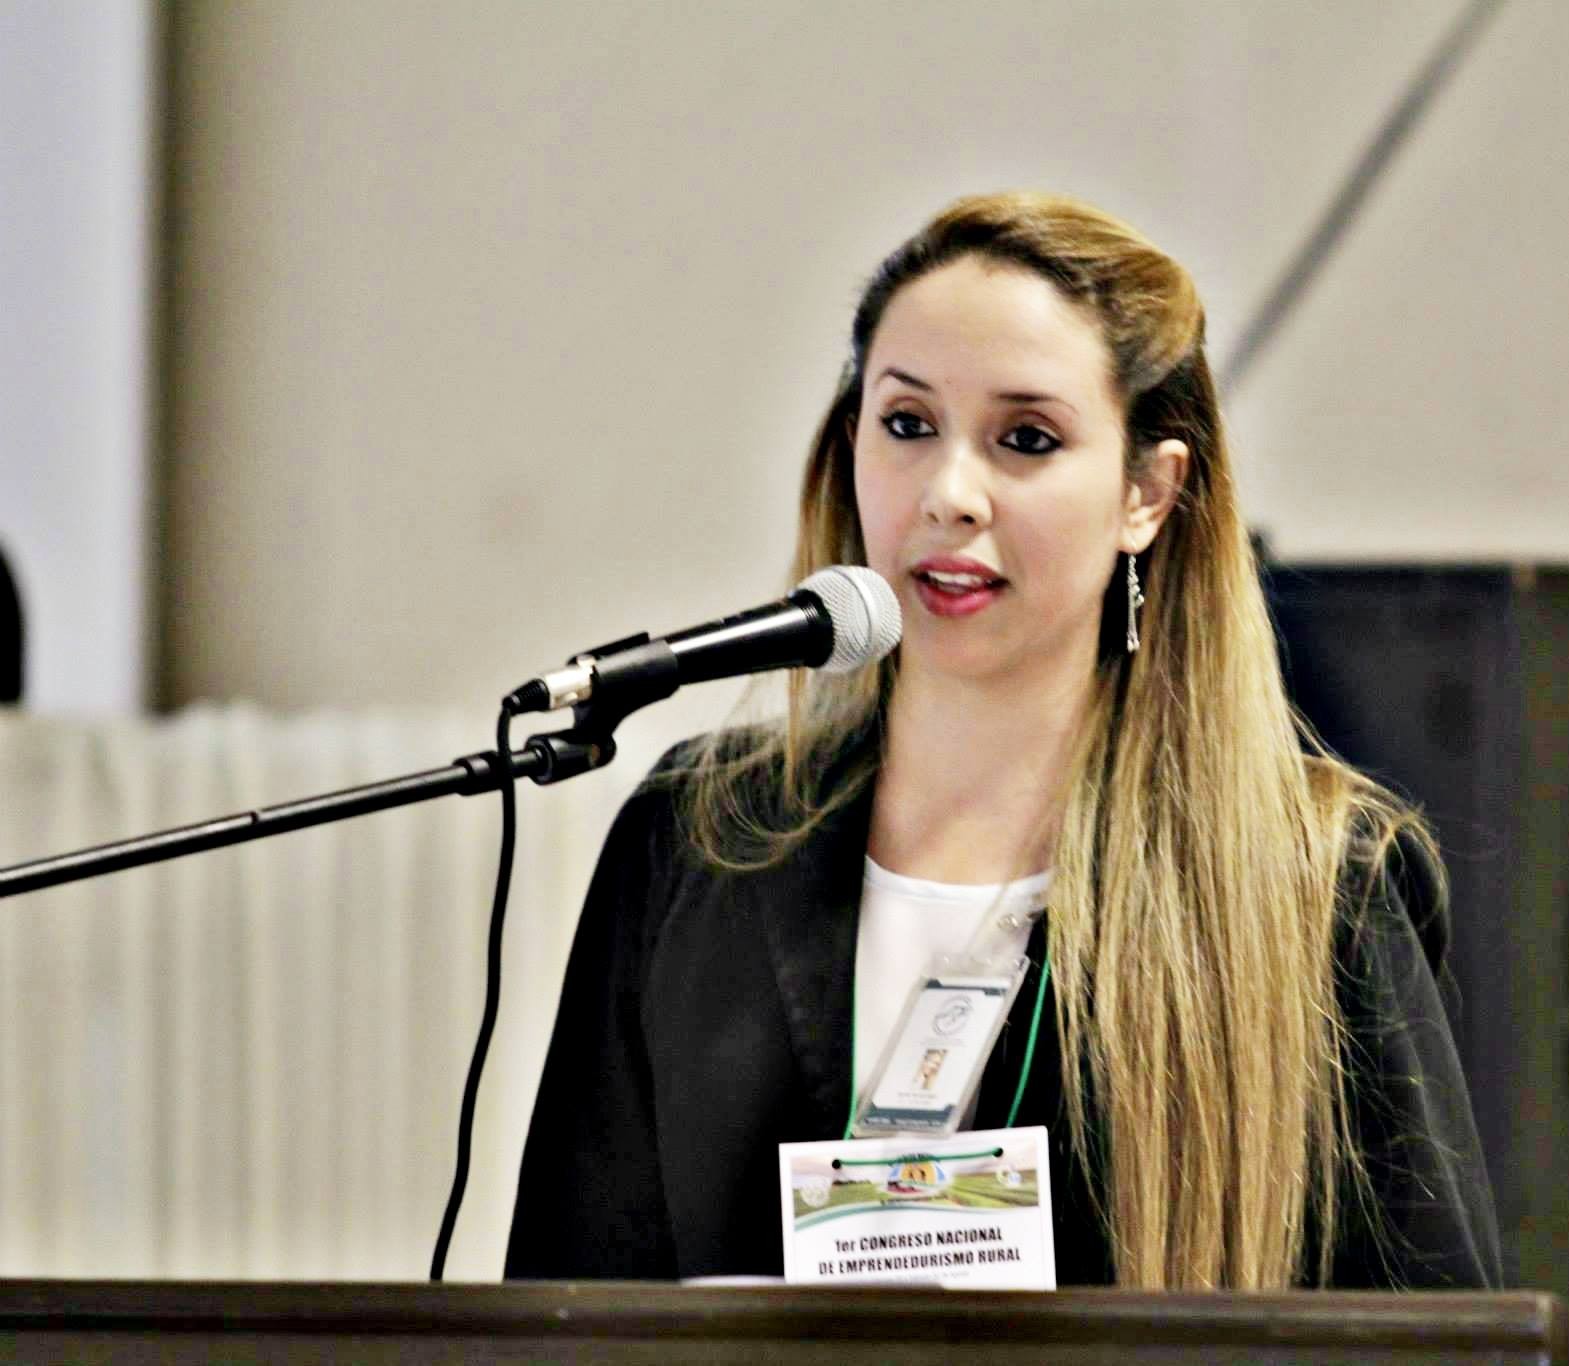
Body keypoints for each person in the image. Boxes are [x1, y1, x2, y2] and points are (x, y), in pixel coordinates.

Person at [506, 192, 1501, 1290]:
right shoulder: (697, 836)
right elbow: (566, 1306)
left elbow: (1435, 1334)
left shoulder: (1313, 877)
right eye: (906, 424)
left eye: (1025, 439)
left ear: (1146, 493)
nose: (949, 495)